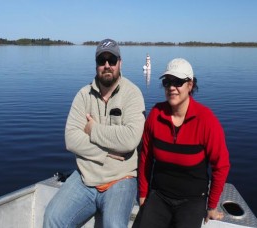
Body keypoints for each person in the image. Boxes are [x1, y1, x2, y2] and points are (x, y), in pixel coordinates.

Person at [43, 38, 145, 228]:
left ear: (120, 63)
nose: (107, 65)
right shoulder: (83, 95)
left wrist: (93, 129)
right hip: (84, 178)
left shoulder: (132, 94)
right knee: (52, 218)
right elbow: (71, 138)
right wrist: (106, 153)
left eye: (112, 60)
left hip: (120, 179)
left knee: (114, 225)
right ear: (96, 64)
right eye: (101, 60)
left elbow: (130, 139)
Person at [136, 58, 230, 228]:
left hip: (192, 199)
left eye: (178, 82)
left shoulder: (206, 120)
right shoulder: (156, 115)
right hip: (160, 195)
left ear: (190, 85)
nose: (172, 87)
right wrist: (143, 194)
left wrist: (212, 205)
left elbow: (221, 165)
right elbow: (145, 158)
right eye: (167, 82)